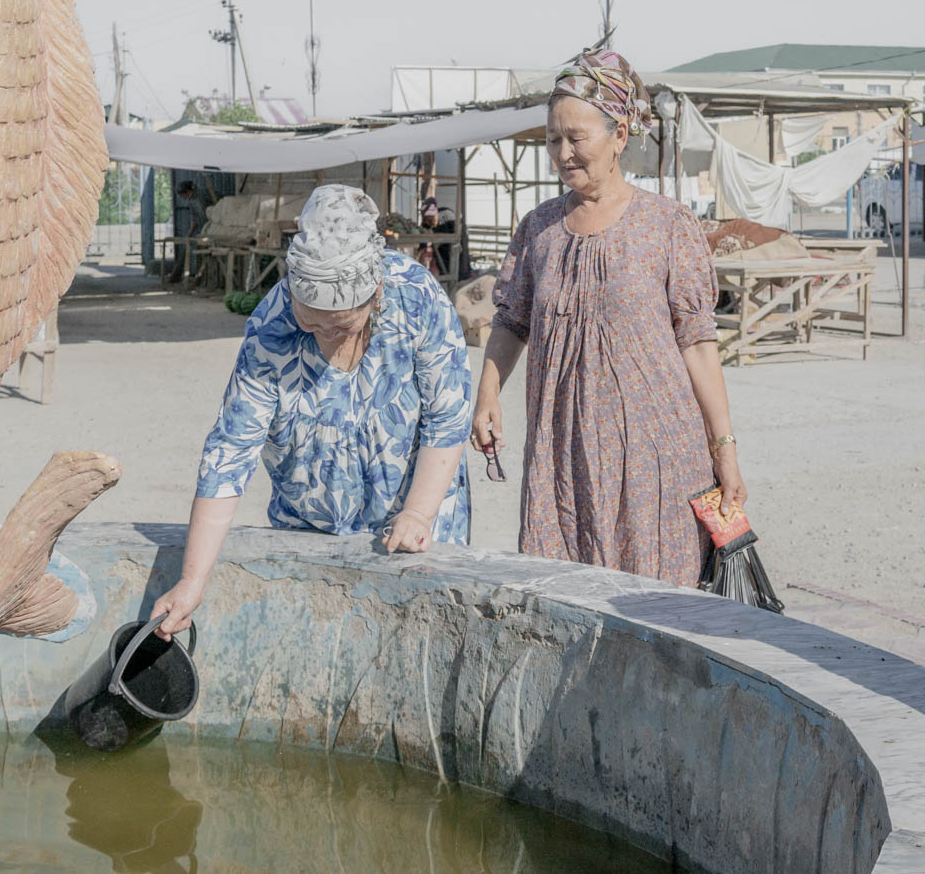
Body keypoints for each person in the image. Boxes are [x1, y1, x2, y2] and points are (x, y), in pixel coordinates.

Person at [471, 48, 747, 588]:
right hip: (561, 454)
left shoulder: (668, 226)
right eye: (553, 139)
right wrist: (487, 396)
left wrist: (725, 451)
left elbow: (697, 342)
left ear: (619, 135)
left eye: (577, 137)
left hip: (654, 456)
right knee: (566, 595)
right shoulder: (538, 229)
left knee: (658, 604)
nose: (563, 152)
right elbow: (511, 319)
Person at [152, 185, 474, 636]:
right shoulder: (270, 330)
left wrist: (419, 513)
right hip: (311, 528)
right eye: (310, 320)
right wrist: (193, 580)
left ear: (375, 291)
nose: (325, 335)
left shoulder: (417, 298)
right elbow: (229, 456)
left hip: (416, 524)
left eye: (341, 323)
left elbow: (448, 416)